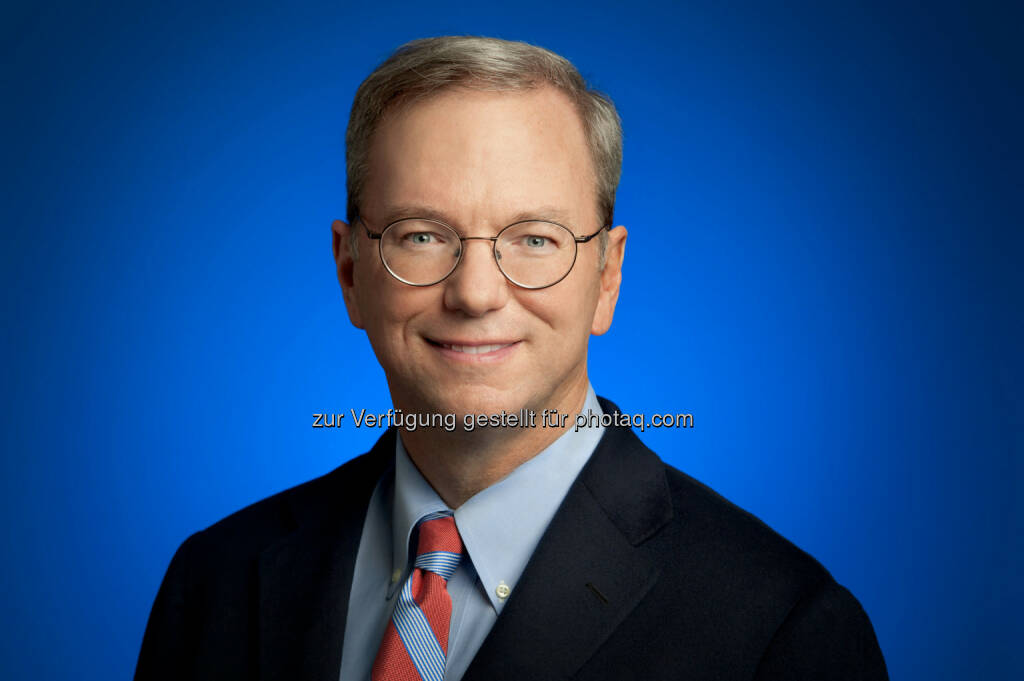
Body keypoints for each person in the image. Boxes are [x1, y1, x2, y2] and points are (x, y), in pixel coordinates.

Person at [135, 36, 888, 680]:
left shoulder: (782, 630)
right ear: (350, 271)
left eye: (534, 238)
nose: (475, 292)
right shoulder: (215, 581)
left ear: (607, 277)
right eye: (421, 234)